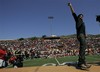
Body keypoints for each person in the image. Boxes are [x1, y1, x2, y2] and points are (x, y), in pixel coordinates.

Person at [68, 3, 91, 69]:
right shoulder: (77, 19)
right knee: (83, 46)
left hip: (83, 35)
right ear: (79, 16)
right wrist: (70, 6)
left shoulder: (83, 23)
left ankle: (83, 61)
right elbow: (73, 12)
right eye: (81, 15)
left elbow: (84, 29)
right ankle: (81, 63)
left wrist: (85, 34)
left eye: (82, 16)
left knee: (84, 47)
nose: (82, 16)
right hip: (80, 35)